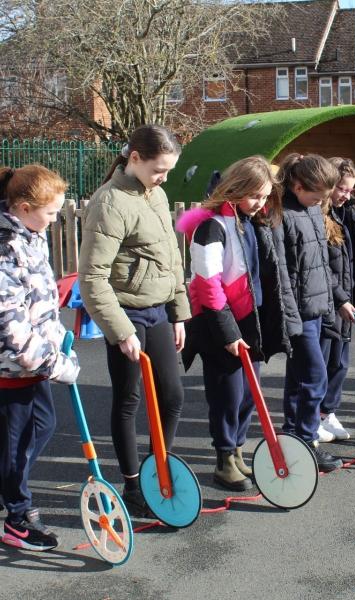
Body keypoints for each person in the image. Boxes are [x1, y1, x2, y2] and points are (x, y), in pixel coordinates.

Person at [78, 125, 191, 516]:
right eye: (158, 169)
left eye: (168, 172)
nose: (163, 178)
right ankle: (132, 487)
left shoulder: (156, 194)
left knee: (173, 397)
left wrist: (179, 313)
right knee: (129, 400)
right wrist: (121, 331)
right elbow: (92, 278)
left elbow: (172, 260)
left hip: (159, 310)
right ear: (135, 159)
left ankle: (159, 468)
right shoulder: (109, 202)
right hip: (127, 314)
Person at [177, 156, 302, 491]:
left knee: (249, 393)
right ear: (234, 189)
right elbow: (208, 283)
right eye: (254, 196)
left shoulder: (249, 222)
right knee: (227, 394)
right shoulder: (211, 226)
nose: (260, 203)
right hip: (219, 323)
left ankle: (239, 451)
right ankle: (224, 457)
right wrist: (228, 333)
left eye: (264, 197)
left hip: (248, 319)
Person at [0, 165, 80, 551]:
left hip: (32, 363)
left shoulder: (32, 237)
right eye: (50, 214)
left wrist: (59, 337)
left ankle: (10, 492)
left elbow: (41, 301)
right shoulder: (5, 248)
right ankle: (17, 518)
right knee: (19, 445)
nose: (53, 222)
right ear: (24, 207)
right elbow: (10, 324)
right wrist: (55, 364)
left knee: (41, 429)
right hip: (13, 368)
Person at [278, 153, 345, 472]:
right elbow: (285, 275)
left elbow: (320, 264)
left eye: (323, 199)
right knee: (316, 377)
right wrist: (290, 318)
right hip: (299, 313)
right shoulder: (286, 216)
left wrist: (339, 299)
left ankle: (292, 434)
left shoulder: (311, 211)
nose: (320, 203)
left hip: (317, 308)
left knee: (299, 378)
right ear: (297, 185)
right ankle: (306, 439)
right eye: (316, 196)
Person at [319, 157, 355, 441]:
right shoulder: (319, 218)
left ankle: (329, 412)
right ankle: (315, 415)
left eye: (350, 190)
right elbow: (320, 267)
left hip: (345, 302)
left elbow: (346, 260)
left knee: (340, 362)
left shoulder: (345, 214)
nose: (346, 195)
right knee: (323, 362)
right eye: (341, 188)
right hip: (328, 303)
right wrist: (339, 298)